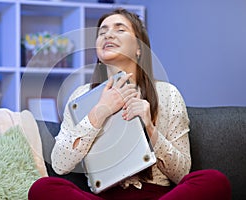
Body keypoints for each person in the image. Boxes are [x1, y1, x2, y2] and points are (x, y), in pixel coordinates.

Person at [28, 8, 231, 200]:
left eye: (120, 29)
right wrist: (98, 113)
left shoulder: (168, 94)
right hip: (104, 195)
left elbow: (181, 173)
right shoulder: (80, 97)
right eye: (102, 32)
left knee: (214, 181)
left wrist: (150, 129)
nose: (108, 35)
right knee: (42, 188)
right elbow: (60, 164)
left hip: (159, 195)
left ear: (139, 49)